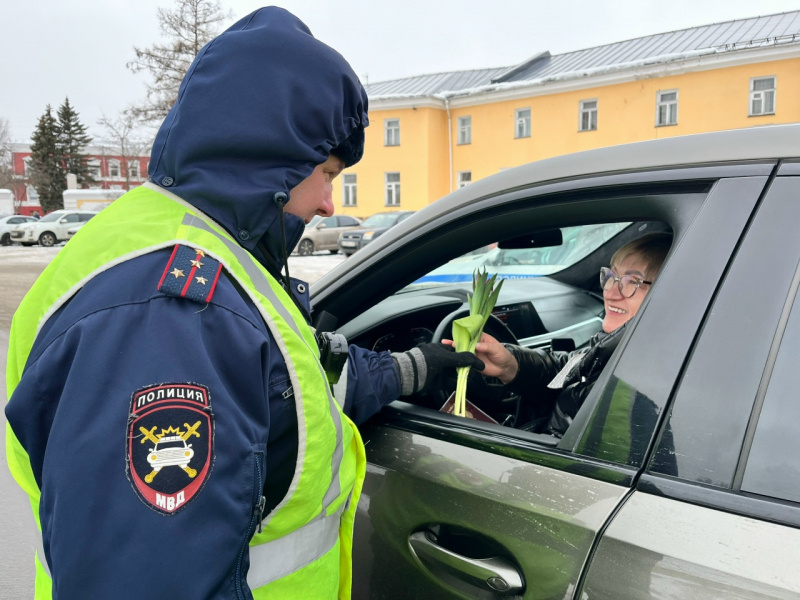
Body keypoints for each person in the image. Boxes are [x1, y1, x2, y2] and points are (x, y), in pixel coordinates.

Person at [4, 8, 477, 599]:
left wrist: (411, 370)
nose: (330, 203)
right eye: (327, 173)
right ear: (271, 161)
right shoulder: (170, 312)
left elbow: (289, 392)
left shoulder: (202, 253)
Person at [473, 232, 672, 436]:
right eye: (612, 277)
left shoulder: (640, 381)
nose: (610, 293)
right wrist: (510, 364)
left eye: (632, 281)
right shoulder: (615, 346)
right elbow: (571, 371)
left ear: (667, 294)